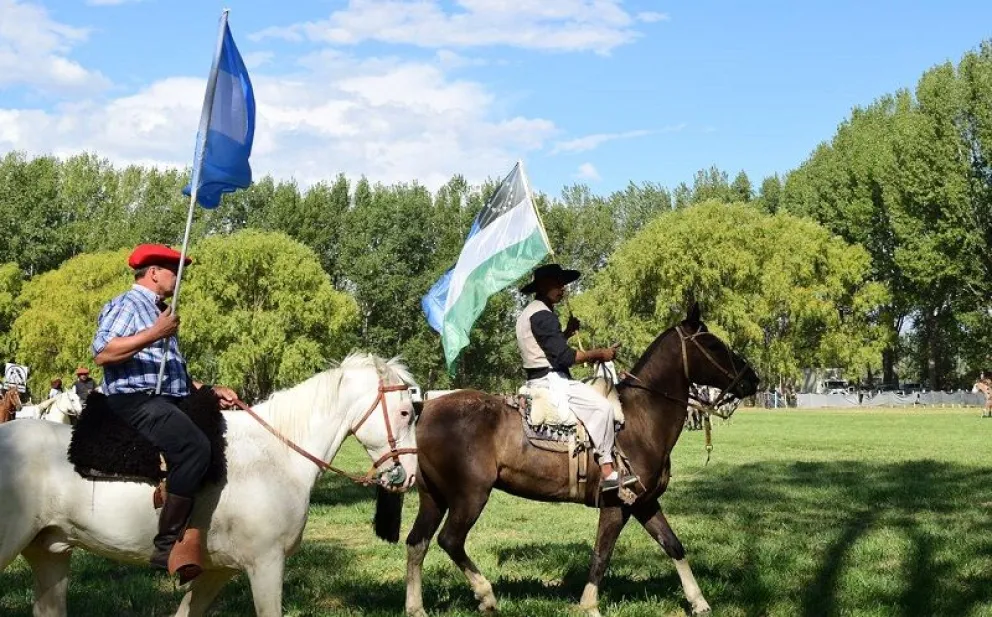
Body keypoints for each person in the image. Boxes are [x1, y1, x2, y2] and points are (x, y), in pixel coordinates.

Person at [91, 243, 238, 581]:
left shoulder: (160, 311)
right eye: (175, 272)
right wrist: (154, 334)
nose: (178, 279)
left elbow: (170, 370)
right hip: (134, 400)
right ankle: (167, 545)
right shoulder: (128, 304)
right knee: (194, 447)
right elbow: (103, 352)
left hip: (167, 399)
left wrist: (209, 391)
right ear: (154, 272)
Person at [515, 263, 635, 494]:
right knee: (602, 408)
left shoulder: (531, 312)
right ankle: (607, 470)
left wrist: (567, 333)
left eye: (563, 283)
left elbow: (549, 347)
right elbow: (564, 357)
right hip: (552, 381)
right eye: (557, 283)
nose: (563, 288)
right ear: (543, 286)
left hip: (539, 378)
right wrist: (600, 354)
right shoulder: (543, 315)